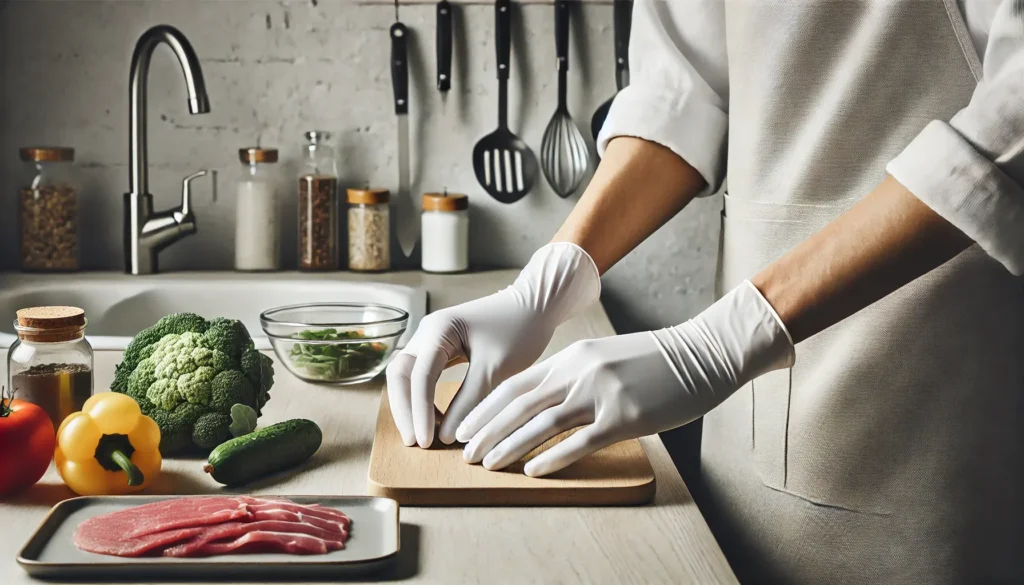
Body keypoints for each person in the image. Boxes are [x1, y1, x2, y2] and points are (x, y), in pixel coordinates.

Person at [386, 0, 1024, 582]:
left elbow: (1010, 122)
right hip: (747, 429)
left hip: (940, 400)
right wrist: (548, 282)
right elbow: (682, 91)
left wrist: (722, 340)